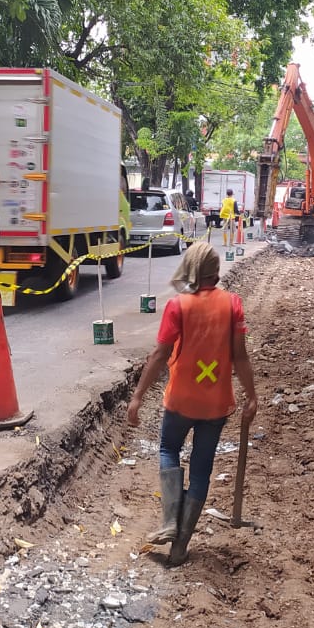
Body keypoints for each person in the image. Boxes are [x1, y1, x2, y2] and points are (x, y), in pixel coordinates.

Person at [127, 242, 257, 565]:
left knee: (169, 449)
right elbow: (240, 357)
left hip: (181, 400)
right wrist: (251, 395)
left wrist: (138, 396)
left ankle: (170, 520)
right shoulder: (233, 305)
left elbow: (160, 354)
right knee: (201, 470)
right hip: (216, 404)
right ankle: (180, 547)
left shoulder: (178, 306)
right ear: (216, 271)